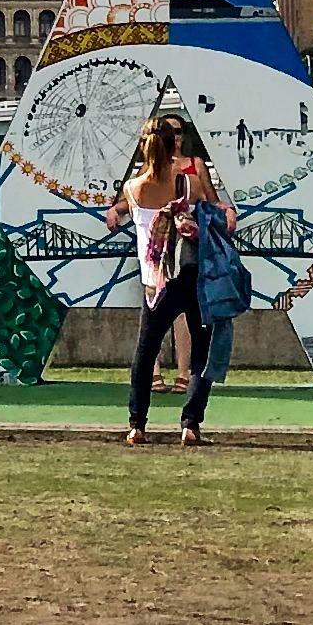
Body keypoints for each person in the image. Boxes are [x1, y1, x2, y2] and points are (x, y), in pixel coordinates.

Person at [110, 113, 223, 445]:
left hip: (154, 280)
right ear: (171, 143)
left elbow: (132, 213)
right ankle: (190, 423)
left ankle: (137, 425)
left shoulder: (133, 189)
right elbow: (208, 212)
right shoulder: (185, 183)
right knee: (202, 349)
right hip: (190, 272)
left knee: (146, 352)